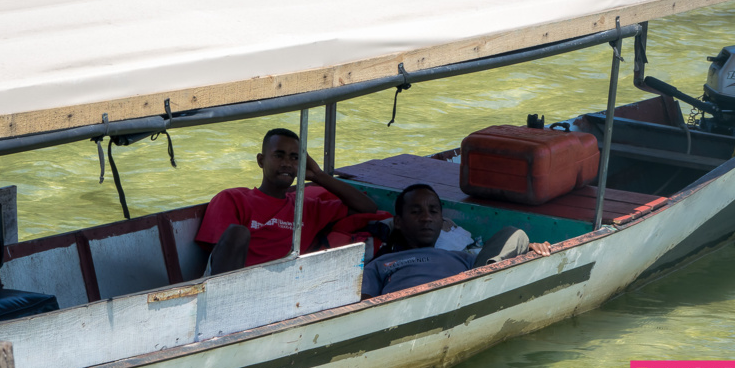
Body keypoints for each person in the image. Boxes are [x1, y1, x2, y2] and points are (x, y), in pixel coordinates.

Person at [196, 128, 378, 274]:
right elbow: (220, 254)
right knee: (238, 232)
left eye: (294, 158)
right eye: (279, 155)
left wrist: (318, 175)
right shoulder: (232, 198)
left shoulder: (306, 208)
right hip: (229, 283)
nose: (287, 163)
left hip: (285, 283)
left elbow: (368, 207)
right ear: (261, 160)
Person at [361, 184, 551, 299]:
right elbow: (364, 305)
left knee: (514, 233)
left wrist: (527, 249)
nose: (427, 218)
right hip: (403, 312)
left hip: (467, 296)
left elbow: (498, 252)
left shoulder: (462, 258)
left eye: (433, 212)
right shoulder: (379, 264)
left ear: (441, 221)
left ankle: (484, 283)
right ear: (398, 222)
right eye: (416, 212)